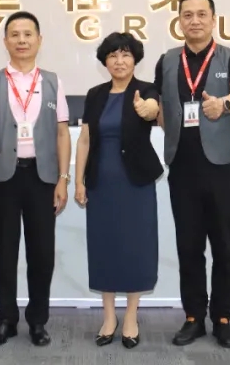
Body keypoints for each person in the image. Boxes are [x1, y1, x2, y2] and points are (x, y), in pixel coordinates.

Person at [153, 0, 230, 349]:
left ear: (213, 19)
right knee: (189, 246)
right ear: (179, 21)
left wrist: (223, 104)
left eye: (201, 14)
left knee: (225, 245)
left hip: (224, 168)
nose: (194, 20)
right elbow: (160, 105)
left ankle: (222, 317)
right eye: (187, 15)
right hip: (183, 168)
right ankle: (194, 316)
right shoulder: (167, 60)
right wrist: (151, 111)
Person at [0, 11, 72, 347]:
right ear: (5, 41)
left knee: (42, 253)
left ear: (39, 40)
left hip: (42, 177)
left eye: (28, 34)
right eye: (14, 34)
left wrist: (63, 179)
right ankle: (5, 319)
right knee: (5, 251)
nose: (21, 40)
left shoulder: (52, 81)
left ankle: (38, 321)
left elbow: (62, 132)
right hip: (5, 176)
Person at [74, 32, 163, 350]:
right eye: (113, 55)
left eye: (126, 54)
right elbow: (85, 139)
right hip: (101, 184)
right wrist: (78, 180)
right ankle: (109, 317)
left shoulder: (146, 90)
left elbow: (152, 110)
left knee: (136, 247)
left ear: (135, 59)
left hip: (135, 184)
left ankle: (131, 317)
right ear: (105, 61)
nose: (119, 61)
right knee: (105, 247)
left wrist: (147, 109)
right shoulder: (95, 94)